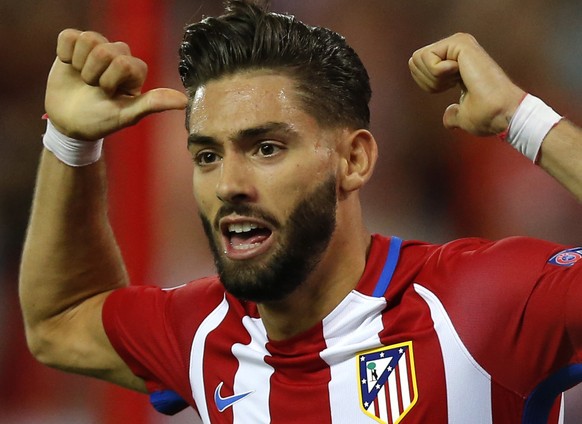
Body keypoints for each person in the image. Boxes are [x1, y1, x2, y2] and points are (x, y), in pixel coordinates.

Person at [19, 0, 582, 423]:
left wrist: (522, 117)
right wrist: (69, 143)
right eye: (208, 155)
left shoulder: (478, 303)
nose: (230, 185)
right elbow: (59, 322)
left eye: (266, 148)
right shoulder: (204, 332)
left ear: (354, 159)